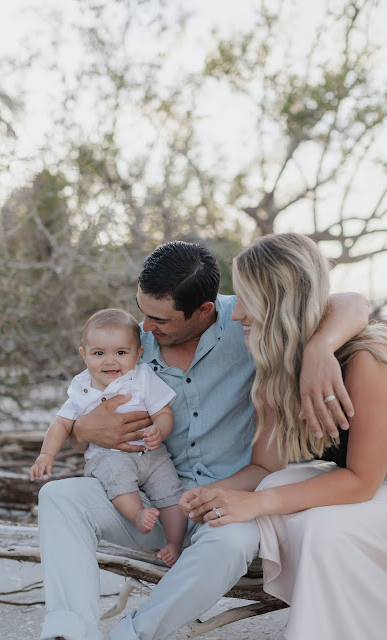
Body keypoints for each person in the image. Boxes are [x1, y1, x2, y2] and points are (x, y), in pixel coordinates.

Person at [38, 241, 369, 640]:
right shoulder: (130, 345)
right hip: (149, 497)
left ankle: (132, 635)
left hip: (230, 498)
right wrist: (81, 431)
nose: (145, 327)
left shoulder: (250, 325)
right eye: (142, 311)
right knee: (58, 499)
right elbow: (78, 418)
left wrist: (320, 347)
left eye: (160, 320)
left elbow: (350, 303)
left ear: (204, 311)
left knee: (231, 543)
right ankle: (70, 631)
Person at [181, 233, 387, 640]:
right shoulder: (279, 365)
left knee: (324, 530)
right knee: (279, 485)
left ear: (279, 301)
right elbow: (265, 466)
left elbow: (363, 482)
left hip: (373, 483)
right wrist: (214, 495)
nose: (237, 313)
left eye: (247, 299)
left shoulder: (363, 359)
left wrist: (255, 503)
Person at [31, 309, 185, 567]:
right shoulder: (82, 388)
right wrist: (46, 455)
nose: (110, 361)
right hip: (108, 456)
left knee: (170, 491)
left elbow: (163, 411)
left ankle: (175, 541)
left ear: (138, 354)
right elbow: (61, 424)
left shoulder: (143, 377)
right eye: (99, 353)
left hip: (152, 454)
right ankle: (136, 514)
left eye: (121, 353)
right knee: (119, 481)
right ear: (84, 355)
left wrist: (159, 429)